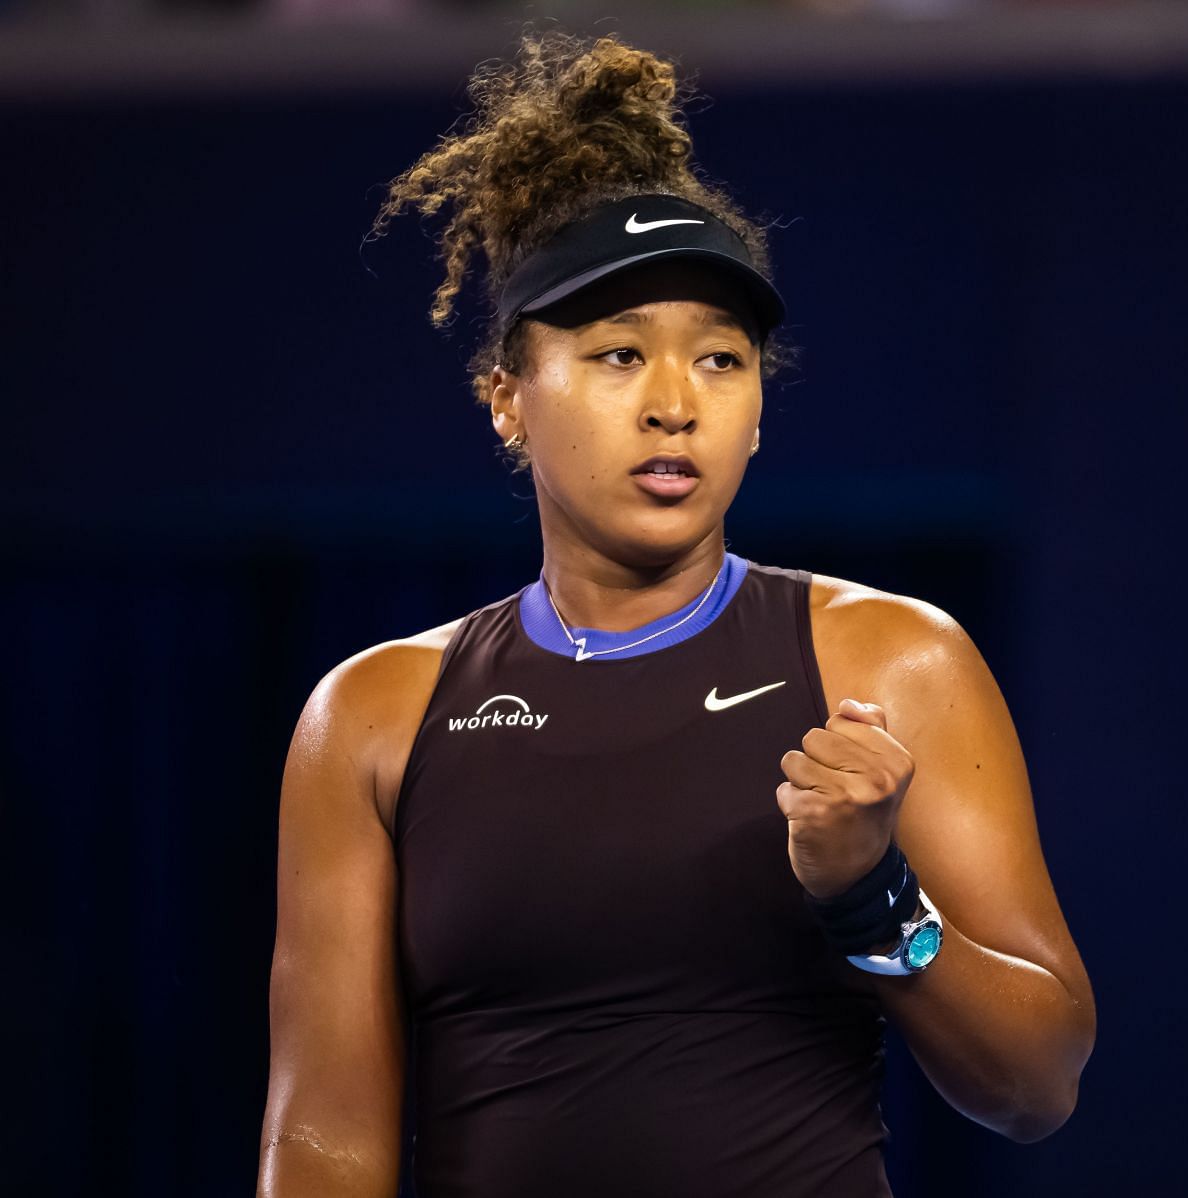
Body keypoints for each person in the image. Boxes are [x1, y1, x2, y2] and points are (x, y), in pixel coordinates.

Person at [256, 28, 1096, 1198]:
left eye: (719, 360)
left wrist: (872, 892)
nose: (673, 406)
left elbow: (1037, 1081)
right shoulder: (373, 715)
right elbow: (324, 1140)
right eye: (615, 357)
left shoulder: (892, 660)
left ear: (757, 406)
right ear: (506, 398)